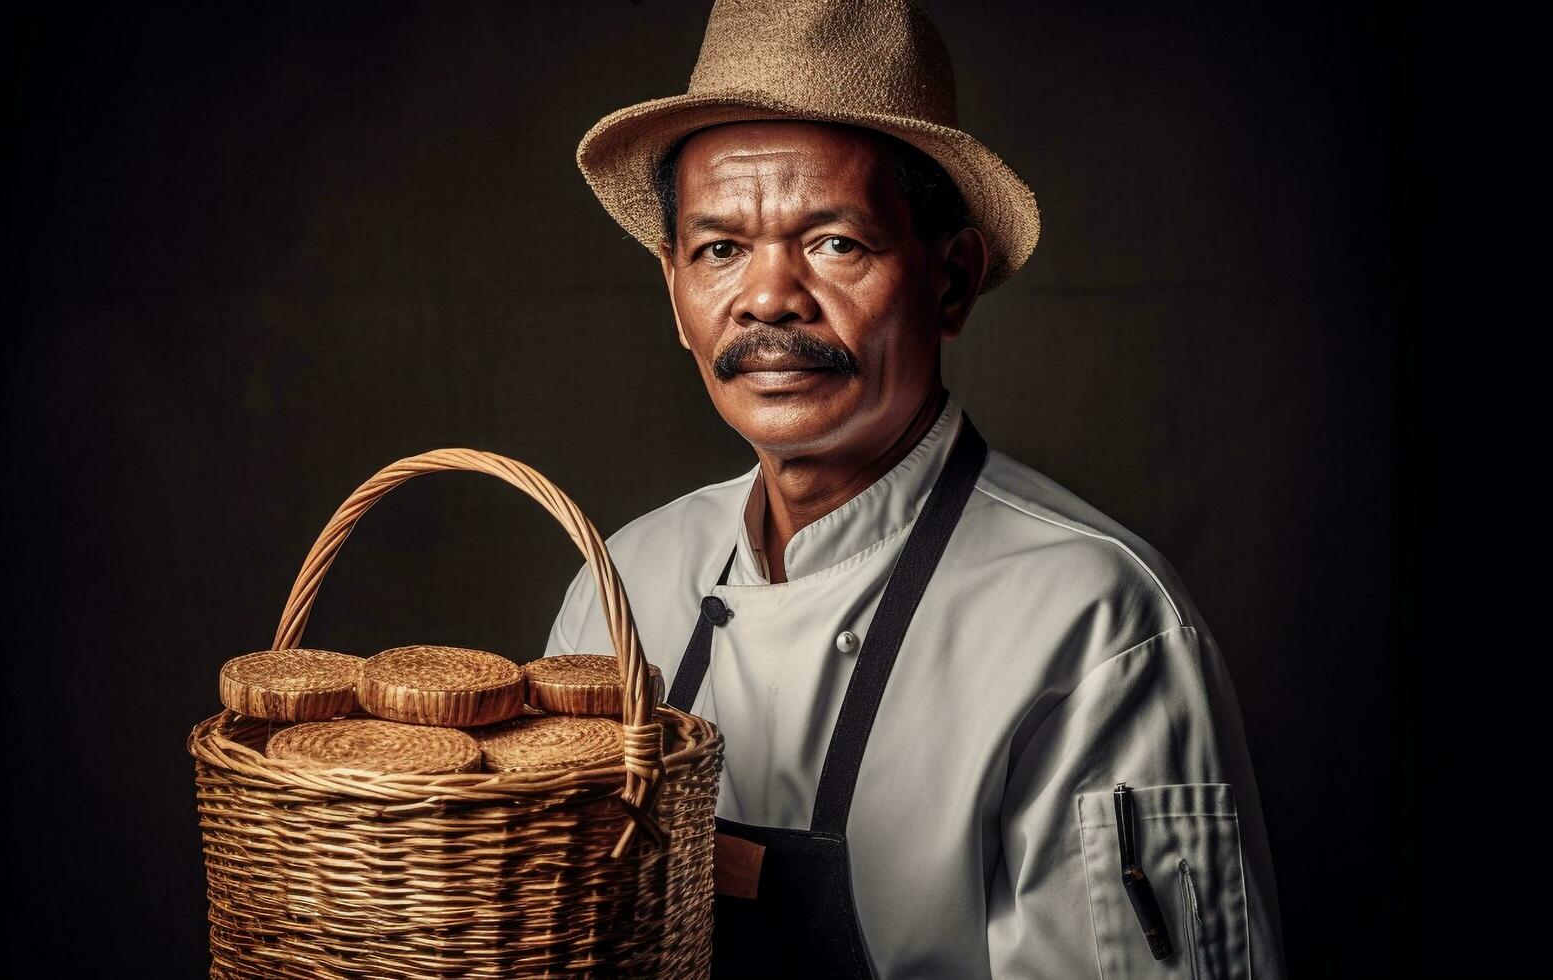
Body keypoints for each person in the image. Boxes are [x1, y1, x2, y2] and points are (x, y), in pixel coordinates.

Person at [542, 1, 1287, 977]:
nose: (767, 297)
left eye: (834, 242)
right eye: (720, 248)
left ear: (950, 280)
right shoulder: (621, 584)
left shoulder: (1095, 623)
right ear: (675, 295)